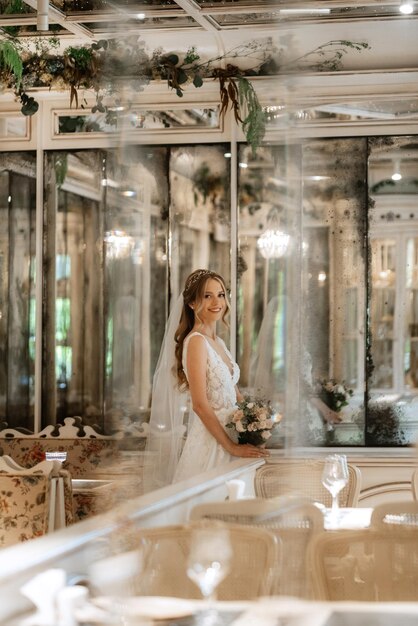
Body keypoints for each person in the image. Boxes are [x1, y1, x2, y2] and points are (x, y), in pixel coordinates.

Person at [144, 268, 269, 491]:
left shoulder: (218, 342)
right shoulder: (196, 342)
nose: (216, 302)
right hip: (212, 444)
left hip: (232, 436)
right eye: (207, 296)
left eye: (220, 294)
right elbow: (200, 405)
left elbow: (235, 393)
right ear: (192, 303)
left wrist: (257, 423)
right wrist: (231, 447)